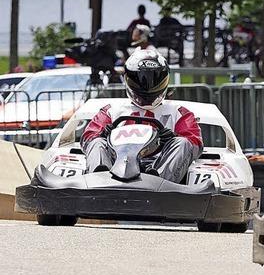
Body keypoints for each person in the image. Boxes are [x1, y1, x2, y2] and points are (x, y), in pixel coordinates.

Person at [81, 49, 202, 183]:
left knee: (183, 143)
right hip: (116, 165)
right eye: (140, 80)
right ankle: (98, 181)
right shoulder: (111, 111)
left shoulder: (179, 113)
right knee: (96, 142)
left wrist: (172, 139)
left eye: (154, 81)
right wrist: (103, 134)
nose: (147, 87)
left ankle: (158, 184)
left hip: (160, 165)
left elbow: (194, 143)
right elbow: (88, 137)